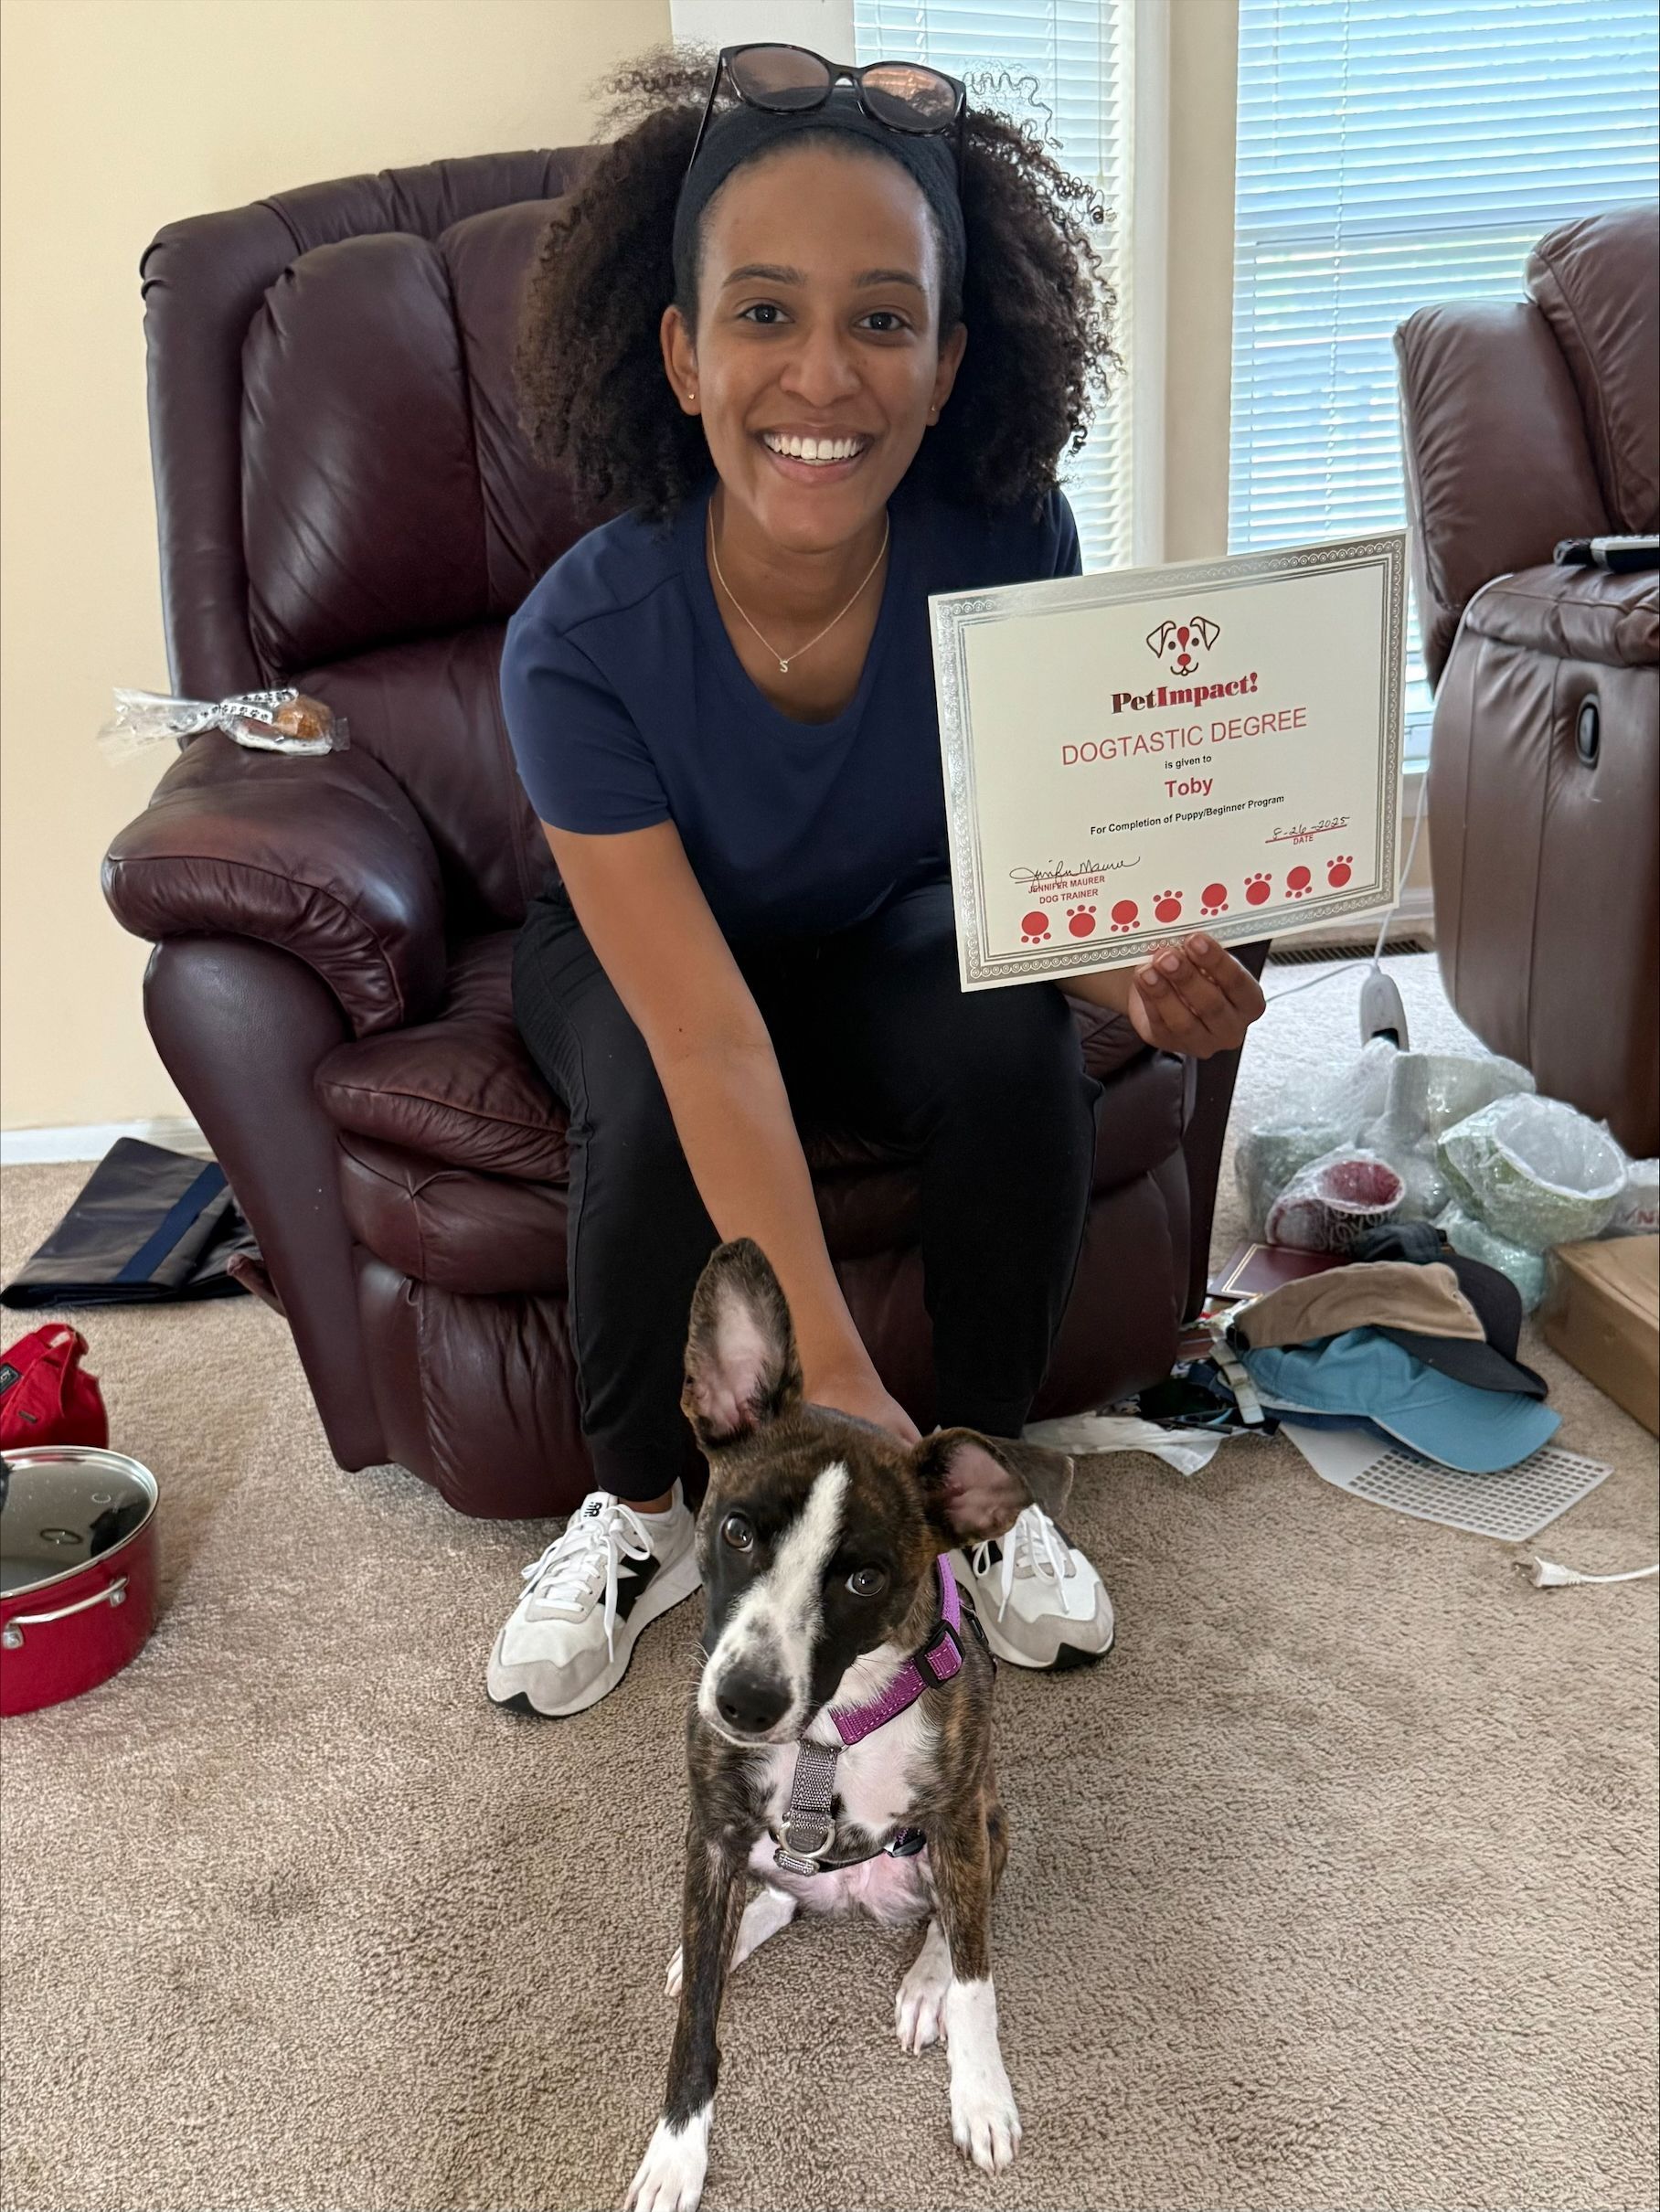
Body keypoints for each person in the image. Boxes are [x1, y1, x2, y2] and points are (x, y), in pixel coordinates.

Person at [488, 44, 1266, 1717]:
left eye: (883, 320)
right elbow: (708, 1039)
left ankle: (968, 1489)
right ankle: (632, 1508)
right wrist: (827, 1371)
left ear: (948, 360)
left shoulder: (1014, 540)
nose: (823, 375)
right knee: (637, 1089)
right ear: (685, 358)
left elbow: (1028, 883)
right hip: (654, 957)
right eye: (764, 315)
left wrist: (1123, 976)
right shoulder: (576, 642)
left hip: (888, 915)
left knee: (1010, 1041)